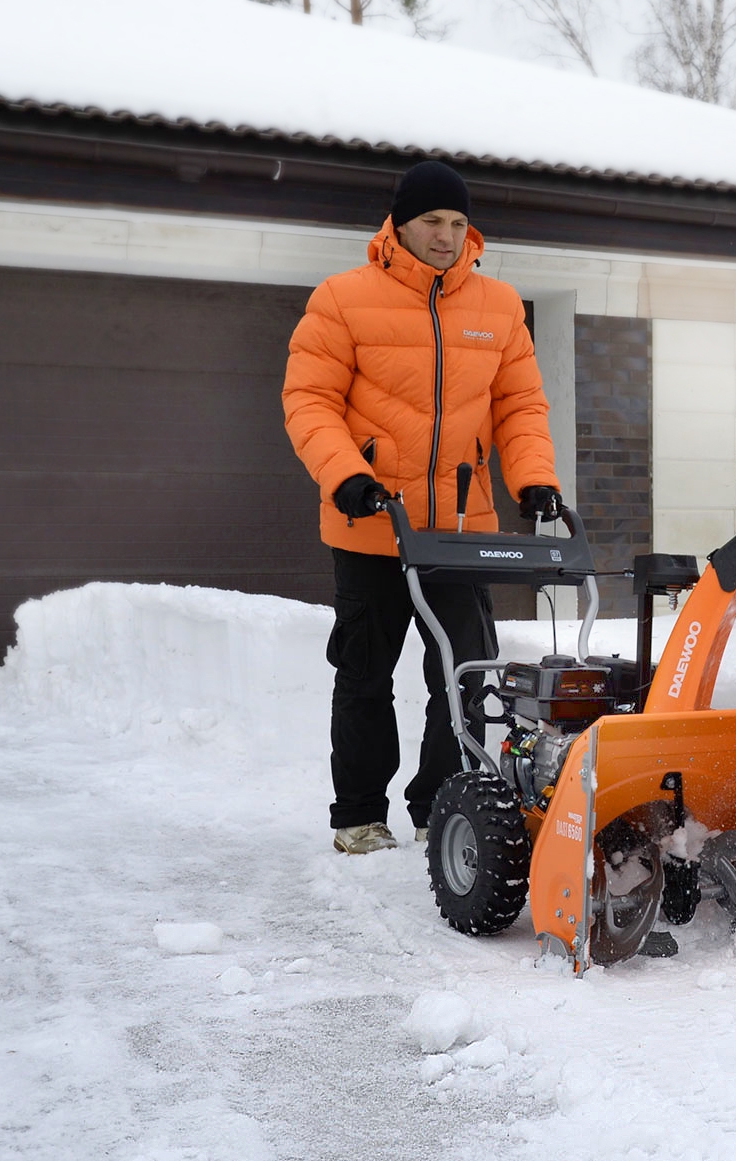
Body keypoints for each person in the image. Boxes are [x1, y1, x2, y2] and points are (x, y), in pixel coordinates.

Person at [283, 160, 564, 854]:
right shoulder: (343, 298)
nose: (446, 235)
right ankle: (358, 813)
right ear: (400, 224)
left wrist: (534, 478)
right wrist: (345, 474)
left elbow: (520, 405)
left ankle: (443, 804)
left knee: (464, 679)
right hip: (372, 522)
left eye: (458, 223)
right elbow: (309, 400)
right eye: (433, 221)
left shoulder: (498, 306)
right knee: (364, 677)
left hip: (462, 533)